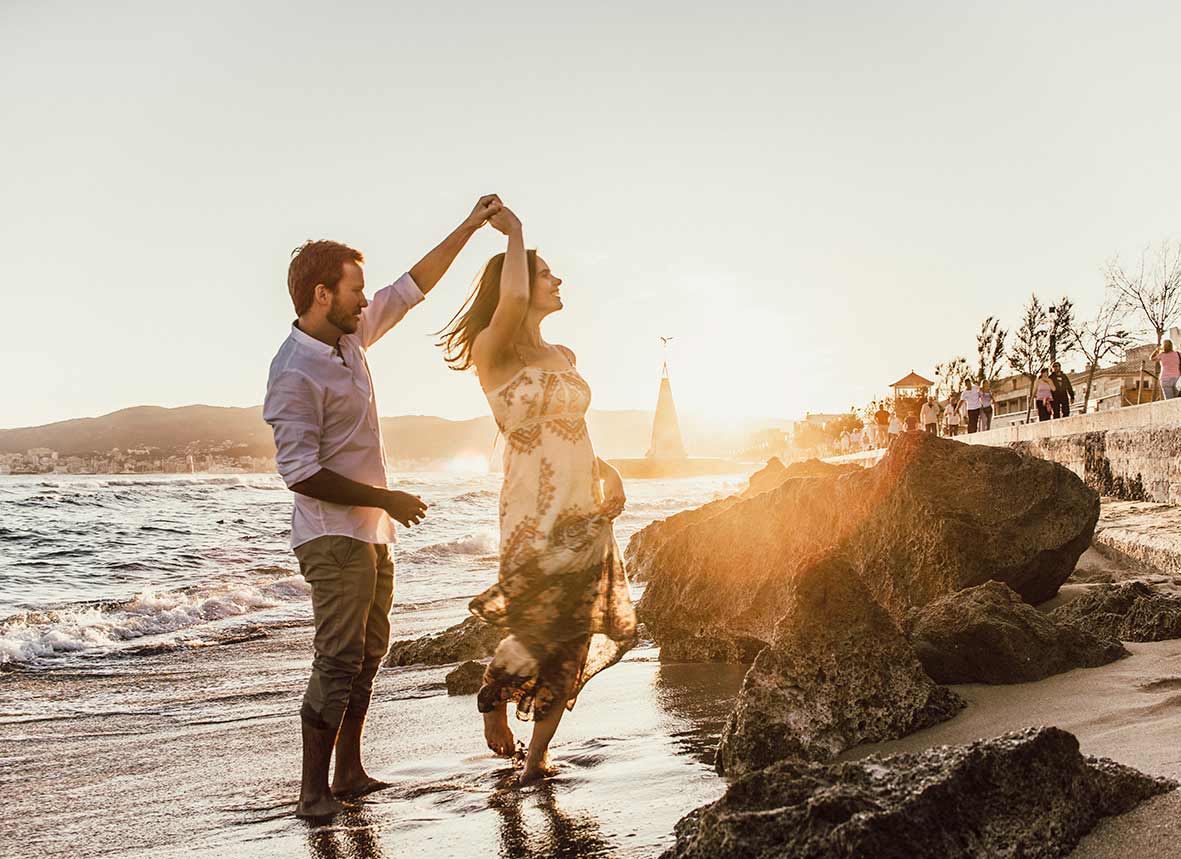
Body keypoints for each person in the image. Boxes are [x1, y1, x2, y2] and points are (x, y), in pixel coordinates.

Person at [263, 194, 504, 819]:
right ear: (322, 294)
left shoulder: (351, 338)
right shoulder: (293, 371)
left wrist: (472, 225)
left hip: (372, 533)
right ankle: (311, 790)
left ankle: (349, 771)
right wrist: (386, 498)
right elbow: (301, 474)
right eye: (354, 291)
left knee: (370, 654)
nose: (366, 300)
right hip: (330, 535)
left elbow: (413, 284)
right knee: (337, 658)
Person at [437, 205, 636, 785]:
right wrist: (517, 235)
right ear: (515, 288)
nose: (556, 281)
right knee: (539, 625)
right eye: (544, 273)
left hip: (583, 509)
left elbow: (571, 431)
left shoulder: (564, 357)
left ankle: (536, 758)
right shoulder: (494, 351)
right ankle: (493, 693)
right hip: (531, 512)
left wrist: (610, 472)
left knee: (571, 636)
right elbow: (514, 305)